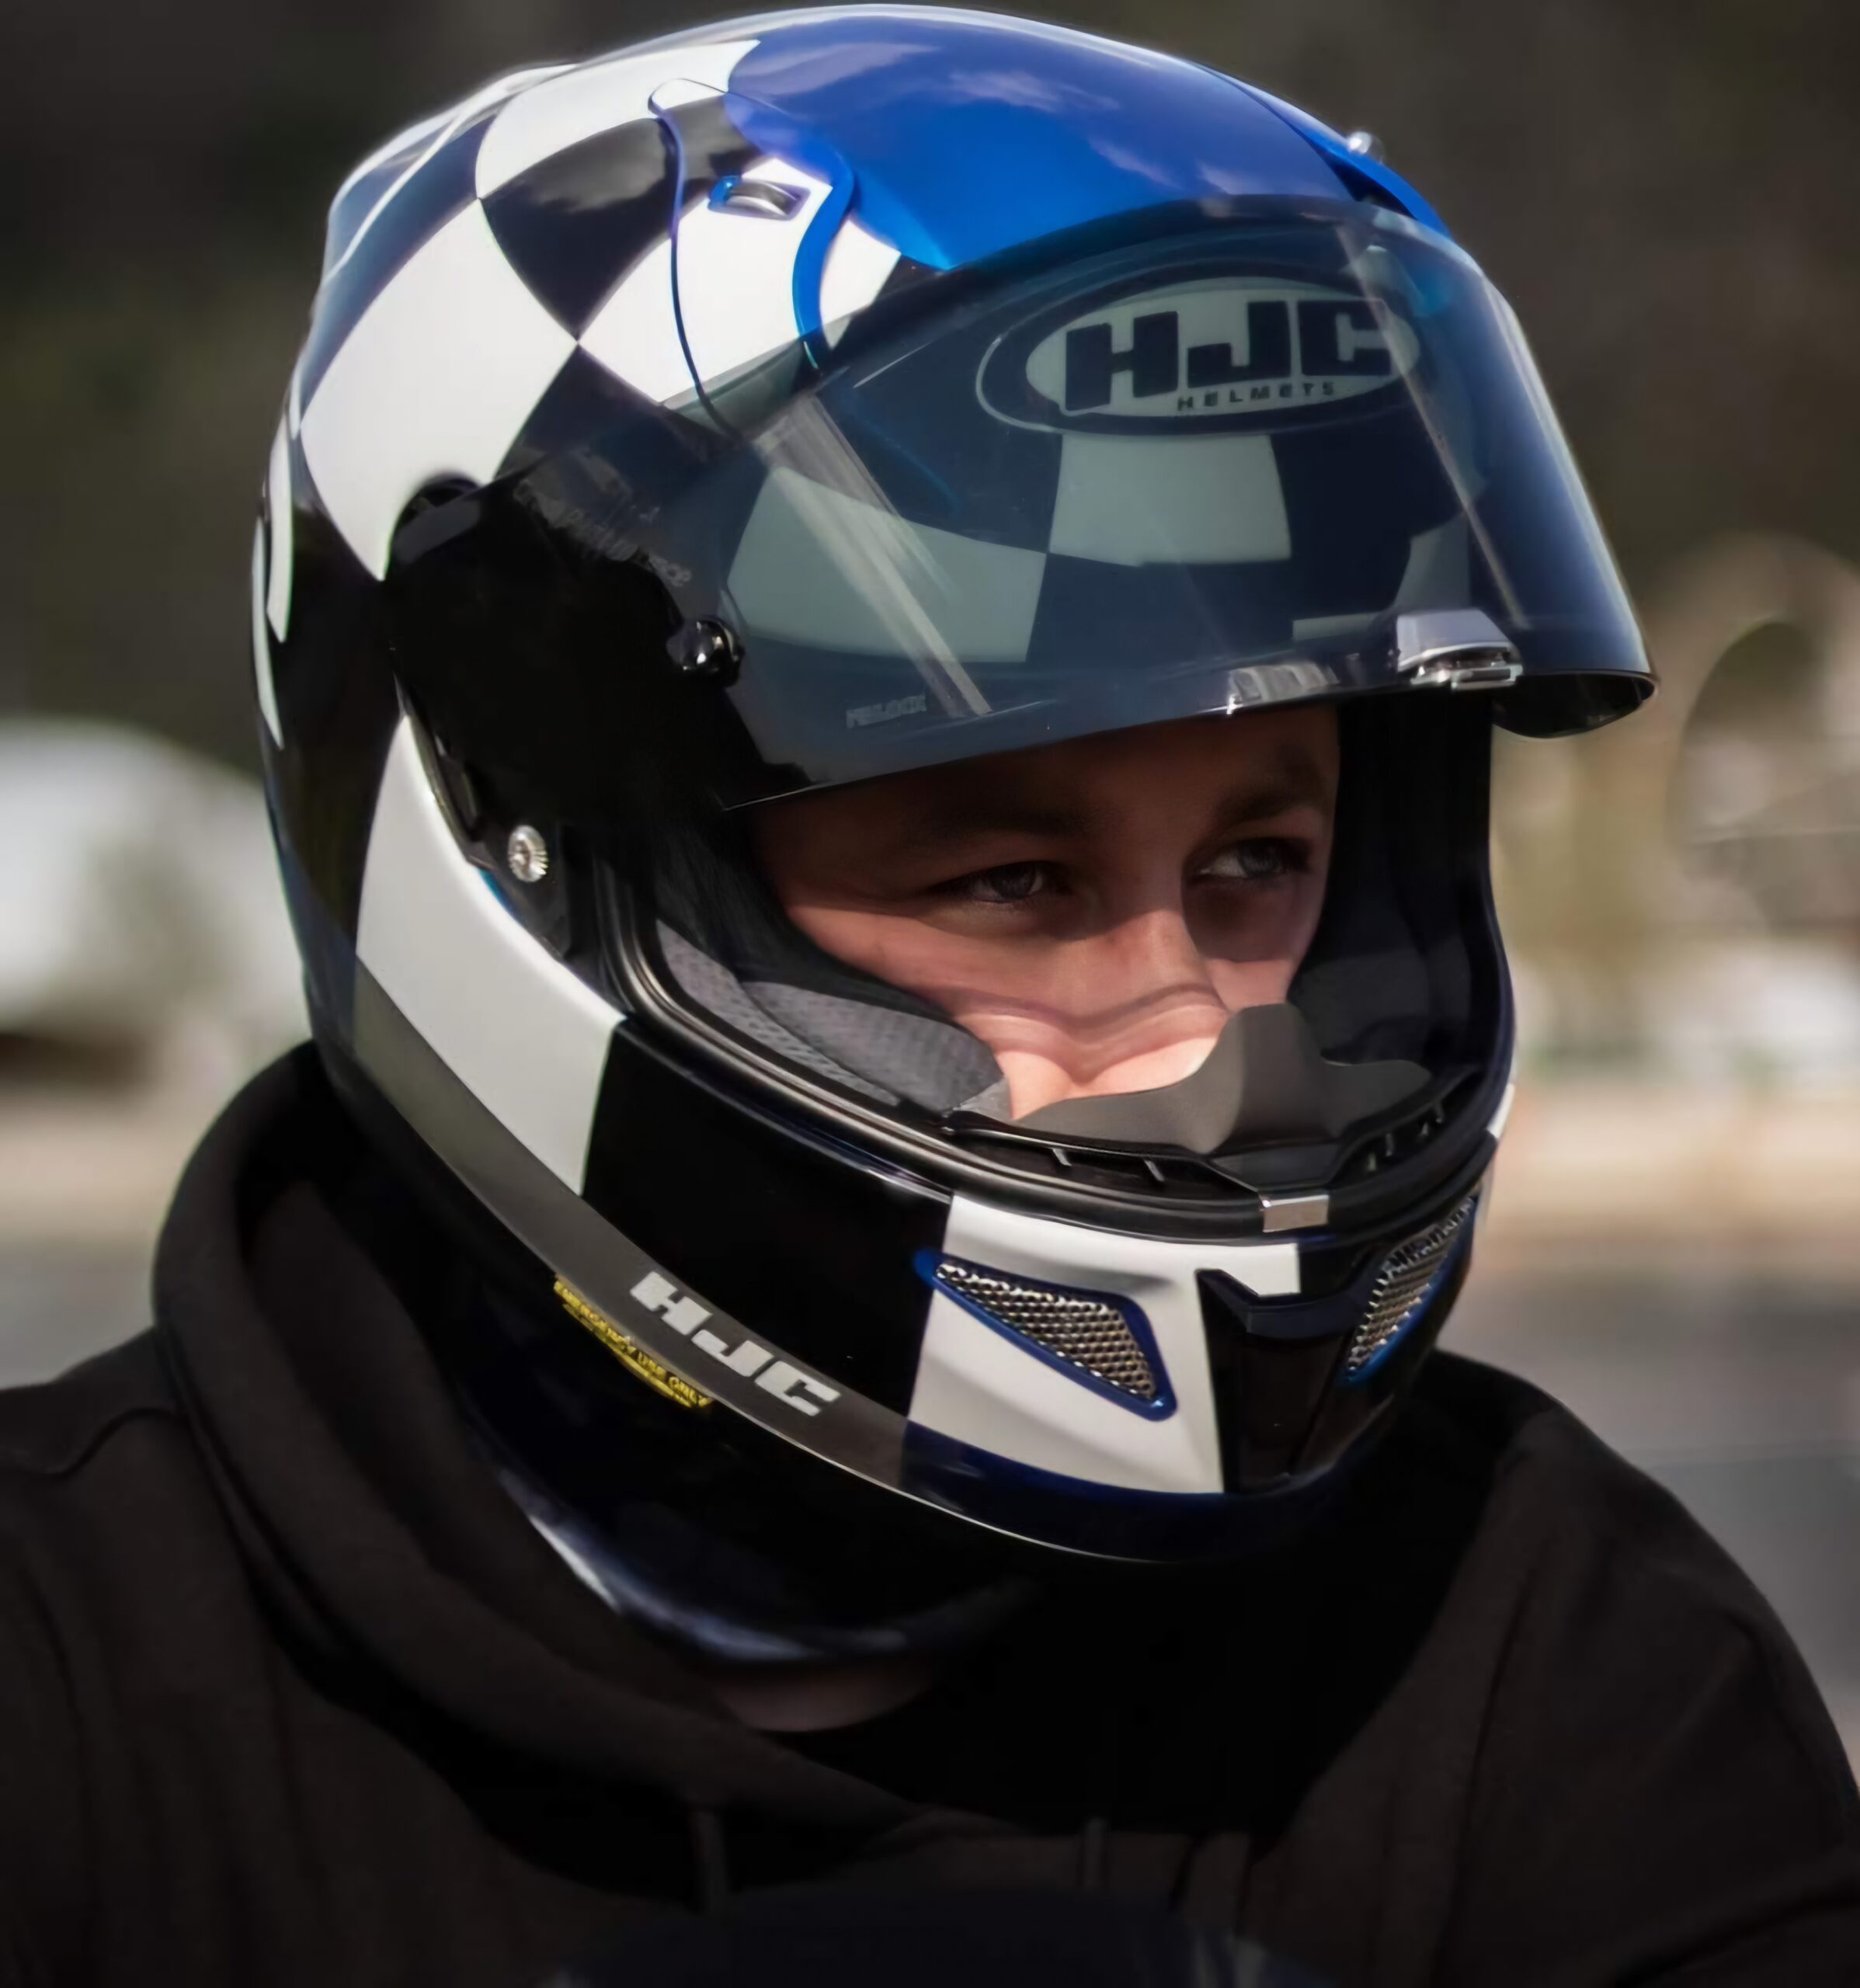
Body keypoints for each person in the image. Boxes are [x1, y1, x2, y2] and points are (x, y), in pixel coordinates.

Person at [2, 10, 1857, 1985]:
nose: (1199, 1034)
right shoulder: (62, 1682)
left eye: (1259, 859)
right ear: (514, 846)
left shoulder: (1536, 1641)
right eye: (1010, 880)